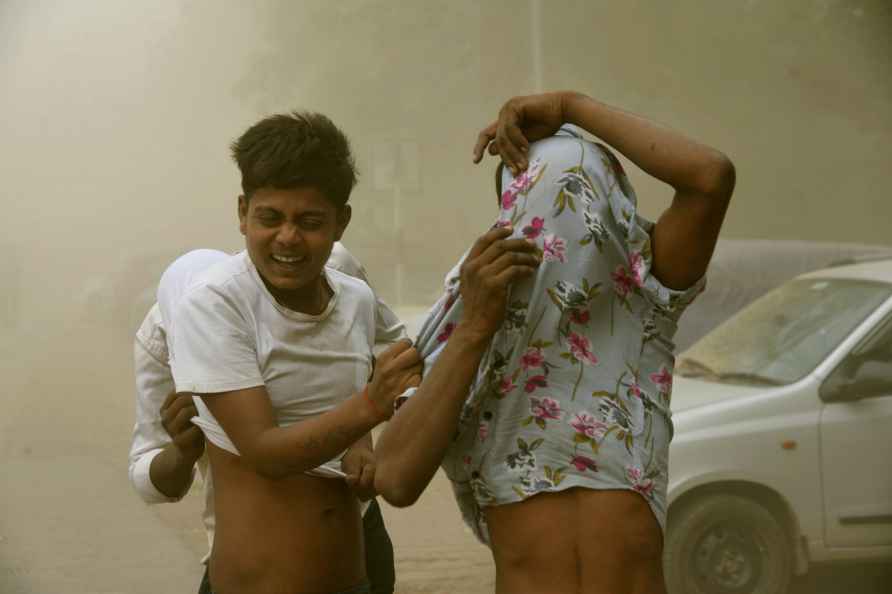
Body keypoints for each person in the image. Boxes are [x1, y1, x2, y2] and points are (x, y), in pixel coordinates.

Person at [374, 90, 735, 594]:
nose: (567, 217)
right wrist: (478, 326)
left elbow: (711, 177)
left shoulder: (645, 295)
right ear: (511, 221)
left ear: (612, 206)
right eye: (544, 196)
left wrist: (571, 106)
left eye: (582, 190)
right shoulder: (472, 326)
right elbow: (393, 478)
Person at [163, 111, 539, 594]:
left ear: (341, 222)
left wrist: (362, 444)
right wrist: (371, 407)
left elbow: (383, 381)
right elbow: (264, 452)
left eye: (310, 221)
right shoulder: (218, 303)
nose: (288, 238)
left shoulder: (355, 300)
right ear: (242, 213)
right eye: (270, 218)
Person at [128, 243, 405, 594]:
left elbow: (386, 352)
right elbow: (148, 477)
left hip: (351, 529)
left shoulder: (327, 269)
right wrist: (181, 454)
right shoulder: (163, 339)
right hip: (245, 551)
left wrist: (360, 440)